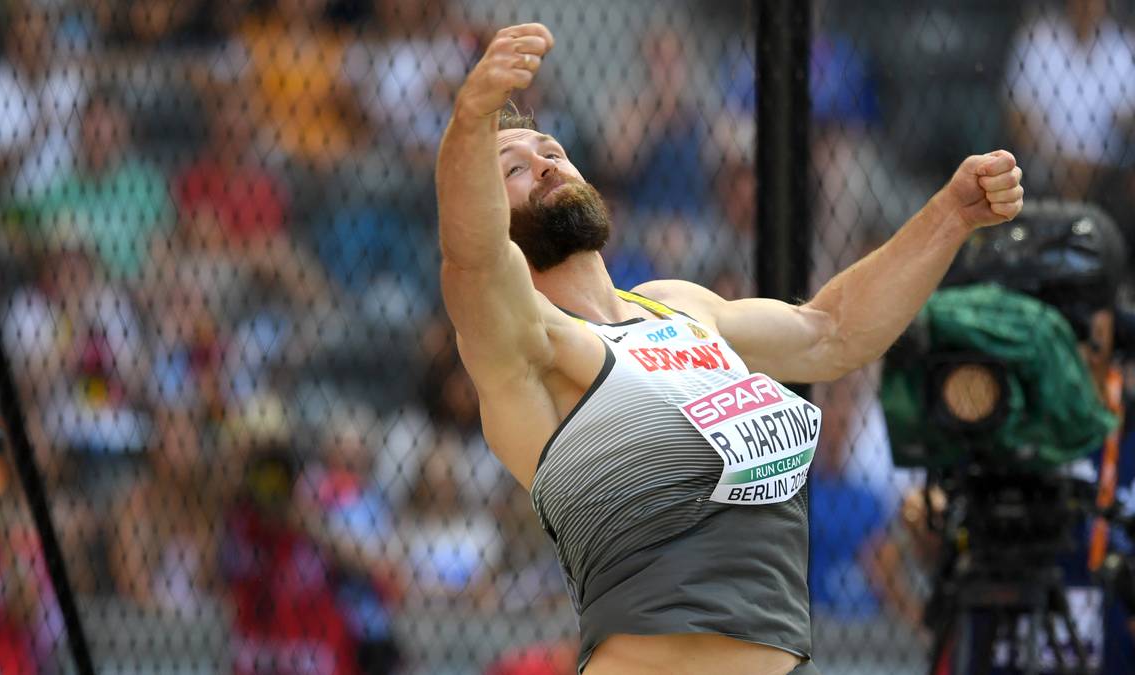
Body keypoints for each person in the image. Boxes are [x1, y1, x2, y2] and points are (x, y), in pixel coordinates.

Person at [435, 22, 1024, 675]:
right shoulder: (530, 346)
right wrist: (471, 120)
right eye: (513, 168)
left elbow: (831, 331)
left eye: (551, 149)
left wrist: (950, 214)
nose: (545, 161)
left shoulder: (682, 306)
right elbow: (474, 257)